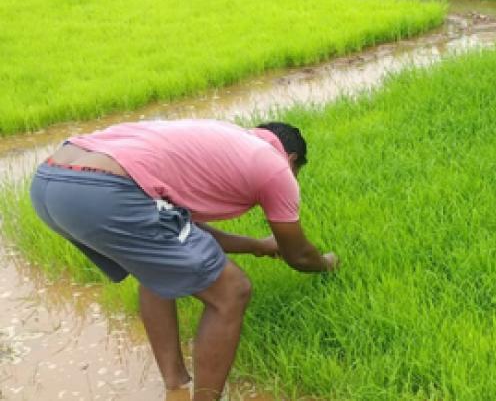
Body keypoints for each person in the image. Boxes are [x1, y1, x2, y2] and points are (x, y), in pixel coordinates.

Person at [28, 119, 337, 400]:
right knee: (232, 291)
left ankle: (175, 387)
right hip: (102, 189)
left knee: (159, 268)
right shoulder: (275, 167)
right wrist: (327, 264)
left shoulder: (219, 137)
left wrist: (257, 245)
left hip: (49, 180)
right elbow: (298, 255)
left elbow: (173, 228)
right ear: (292, 159)